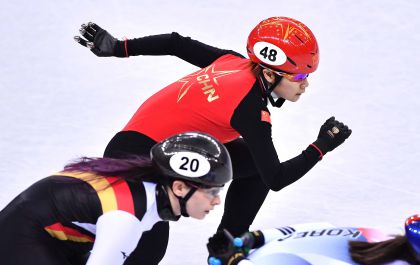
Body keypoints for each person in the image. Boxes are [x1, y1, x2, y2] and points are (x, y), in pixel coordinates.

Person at [74, 16, 352, 264]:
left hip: (138, 146)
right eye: (300, 76)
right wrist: (321, 146)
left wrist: (120, 47)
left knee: (252, 165)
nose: (306, 84)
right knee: (148, 252)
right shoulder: (252, 110)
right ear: (269, 73)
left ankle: (226, 249)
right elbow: (276, 178)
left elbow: (175, 43)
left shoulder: (231, 62)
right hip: (138, 161)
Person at [0, 132, 232, 265]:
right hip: (24, 235)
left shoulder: (147, 190)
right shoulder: (126, 219)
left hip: (44, 231)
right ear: (180, 187)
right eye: (212, 192)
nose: (217, 201)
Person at [206, 214, 420, 265]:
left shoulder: (379, 236)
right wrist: (234, 262)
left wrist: (257, 237)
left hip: (269, 247)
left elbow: (322, 227)